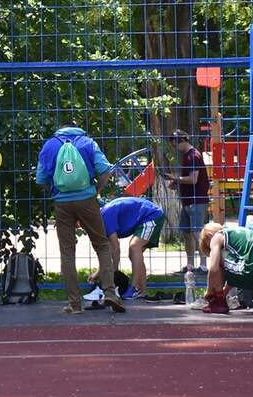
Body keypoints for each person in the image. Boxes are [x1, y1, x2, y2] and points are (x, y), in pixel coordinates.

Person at [36, 122, 123, 314]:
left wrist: (55, 192)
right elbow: (105, 171)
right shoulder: (88, 143)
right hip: (87, 200)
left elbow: (41, 178)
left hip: (62, 204)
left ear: (60, 129)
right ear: (77, 129)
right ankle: (109, 293)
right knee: (102, 245)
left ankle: (74, 303)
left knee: (67, 252)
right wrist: (96, 190)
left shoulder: (50, 145)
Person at [87, 195, 165, 300]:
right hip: (146, 216)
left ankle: (133, 288)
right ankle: (141, 291)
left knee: (134, 247)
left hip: (152, 215)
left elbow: (115, 248)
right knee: (135, 253)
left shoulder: (105, 217)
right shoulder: (102, 217)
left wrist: (113, 275)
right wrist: (99, 272)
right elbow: (108, 252)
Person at [198, 220, 253, 315]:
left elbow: (214, 268)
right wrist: (224, 293)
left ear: (209, 235)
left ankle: (218, 304)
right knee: (239, 263)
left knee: (217, 259)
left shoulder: (217, 236)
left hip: (250, 269)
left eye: (209, 247)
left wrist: (210, 292)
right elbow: (235, 275)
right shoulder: (239, 232)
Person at [160, 130, 210, 272]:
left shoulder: (193, 156)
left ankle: (204, 265)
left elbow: (193, 179)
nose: (174, 147)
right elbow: (188, 179)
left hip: (196, 201)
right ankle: (190, 265)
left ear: (182, 141)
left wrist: (175, 178)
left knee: (197, 233)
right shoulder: (187, 156)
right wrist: (177, 183)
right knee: (187, 233)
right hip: (187, 202)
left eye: (175, 144)